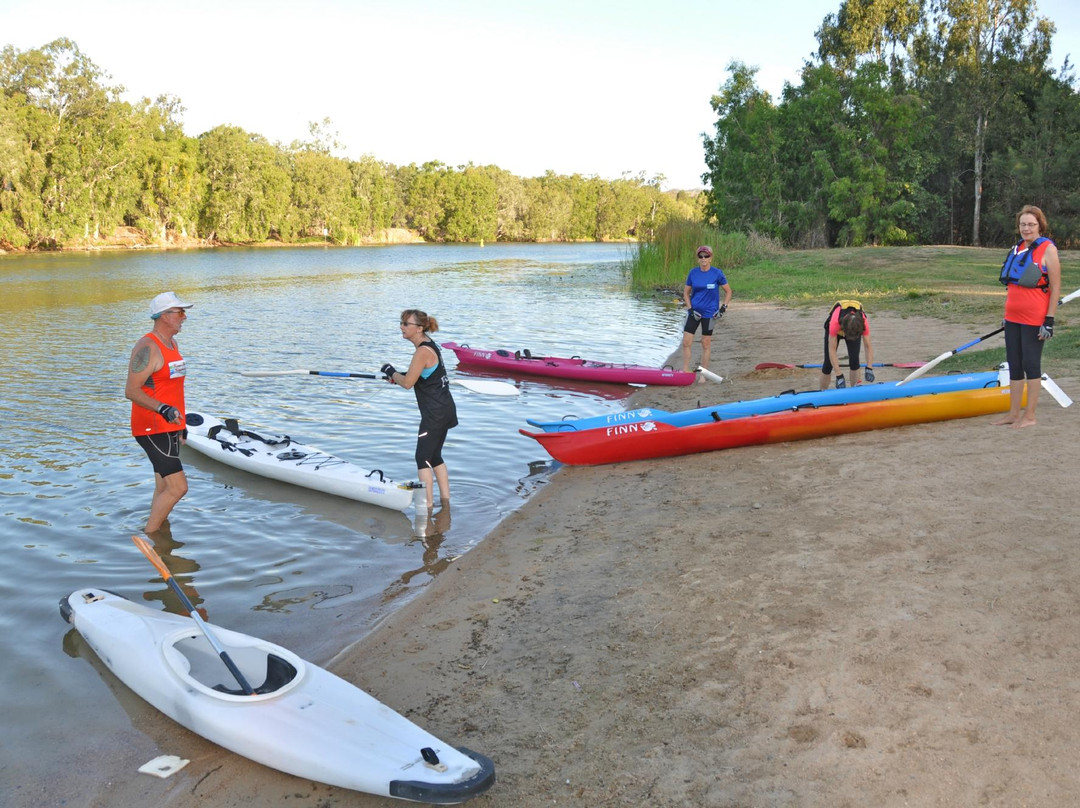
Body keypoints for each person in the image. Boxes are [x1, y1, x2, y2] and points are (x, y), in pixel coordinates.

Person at [125, 291, 193, 534]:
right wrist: (163, 409)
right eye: (180, 312)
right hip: (151, 426)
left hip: (170, 425)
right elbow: (131, 391)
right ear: (164, 316)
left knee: (164, 485)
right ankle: (148, 537)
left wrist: (180, 423)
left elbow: (171, 389)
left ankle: (160, 535)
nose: (184, 317)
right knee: (177, 488)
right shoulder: (147, 347)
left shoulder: (172, 343)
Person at [381, 310, 459, 509]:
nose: (401, 327)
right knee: (434, 457)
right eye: (401, 322)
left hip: (434, 414)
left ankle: (427, 506)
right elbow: (420, 375)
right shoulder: (430, 346)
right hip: (445, 409)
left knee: (422, 458)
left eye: (406, 324)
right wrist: (397, 376)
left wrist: (391, 371)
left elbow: (407, 383)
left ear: (419, 328)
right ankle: (446, 501)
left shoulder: (422, 351)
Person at [993, 205, 1061, 427]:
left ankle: (1029, 416)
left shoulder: (1048, 249)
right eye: (1023, 224)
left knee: (1031, 364)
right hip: (1013, 316)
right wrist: (1006, 315)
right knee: (1014, 365)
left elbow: (1056, 287)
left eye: (1031, 224)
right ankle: (1013, 414)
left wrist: (1049, 321)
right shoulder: (1018, 248)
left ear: (1040, 225)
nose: (1026, 228)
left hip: (1035, 318)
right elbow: (1014, 286)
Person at [681, 245, 732, 374]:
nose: (703, 259)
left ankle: (703, 374)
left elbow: (728, 292)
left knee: (705, 343)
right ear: (698, 258)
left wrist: (723, 308)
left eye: (706, 256)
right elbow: (686, 293)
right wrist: (690, 309)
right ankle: (685, 370)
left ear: (711, 258)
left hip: (710, 315)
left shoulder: (717, 273)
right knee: (686, 342)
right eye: (701, 256)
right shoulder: (693, 273)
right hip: (695, 313)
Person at [819, 300, 875, 390]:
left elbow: (868, 346)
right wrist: (839, 375)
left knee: (854, 361)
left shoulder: (863, 322)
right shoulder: (834, 323)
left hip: (853, 327)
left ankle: (854, 392)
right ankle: (821, 393)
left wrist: (869, 367)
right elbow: (832, 350)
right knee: (827, 365)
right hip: (837, 329)